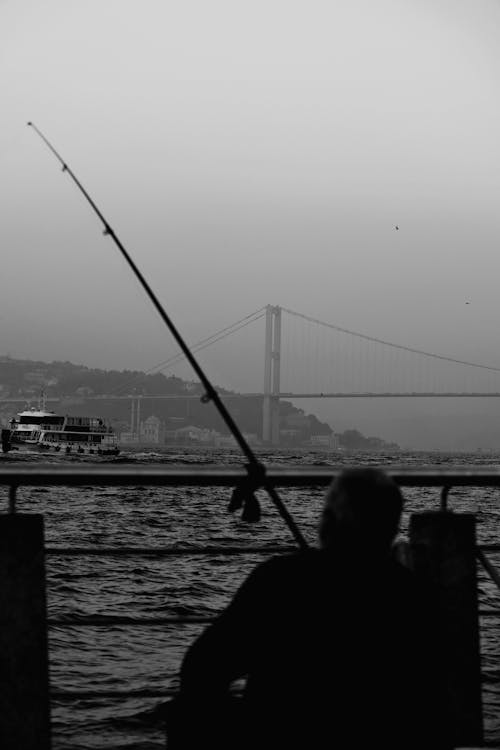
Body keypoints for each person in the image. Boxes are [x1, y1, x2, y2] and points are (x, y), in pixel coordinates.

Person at [169, 468, 452, 749]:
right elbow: (435, 707)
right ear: (390, 530)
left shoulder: (279, 579)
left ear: (326, 523)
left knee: (187, 710)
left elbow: (200, 668)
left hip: (279, 734)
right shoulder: (417, 598)